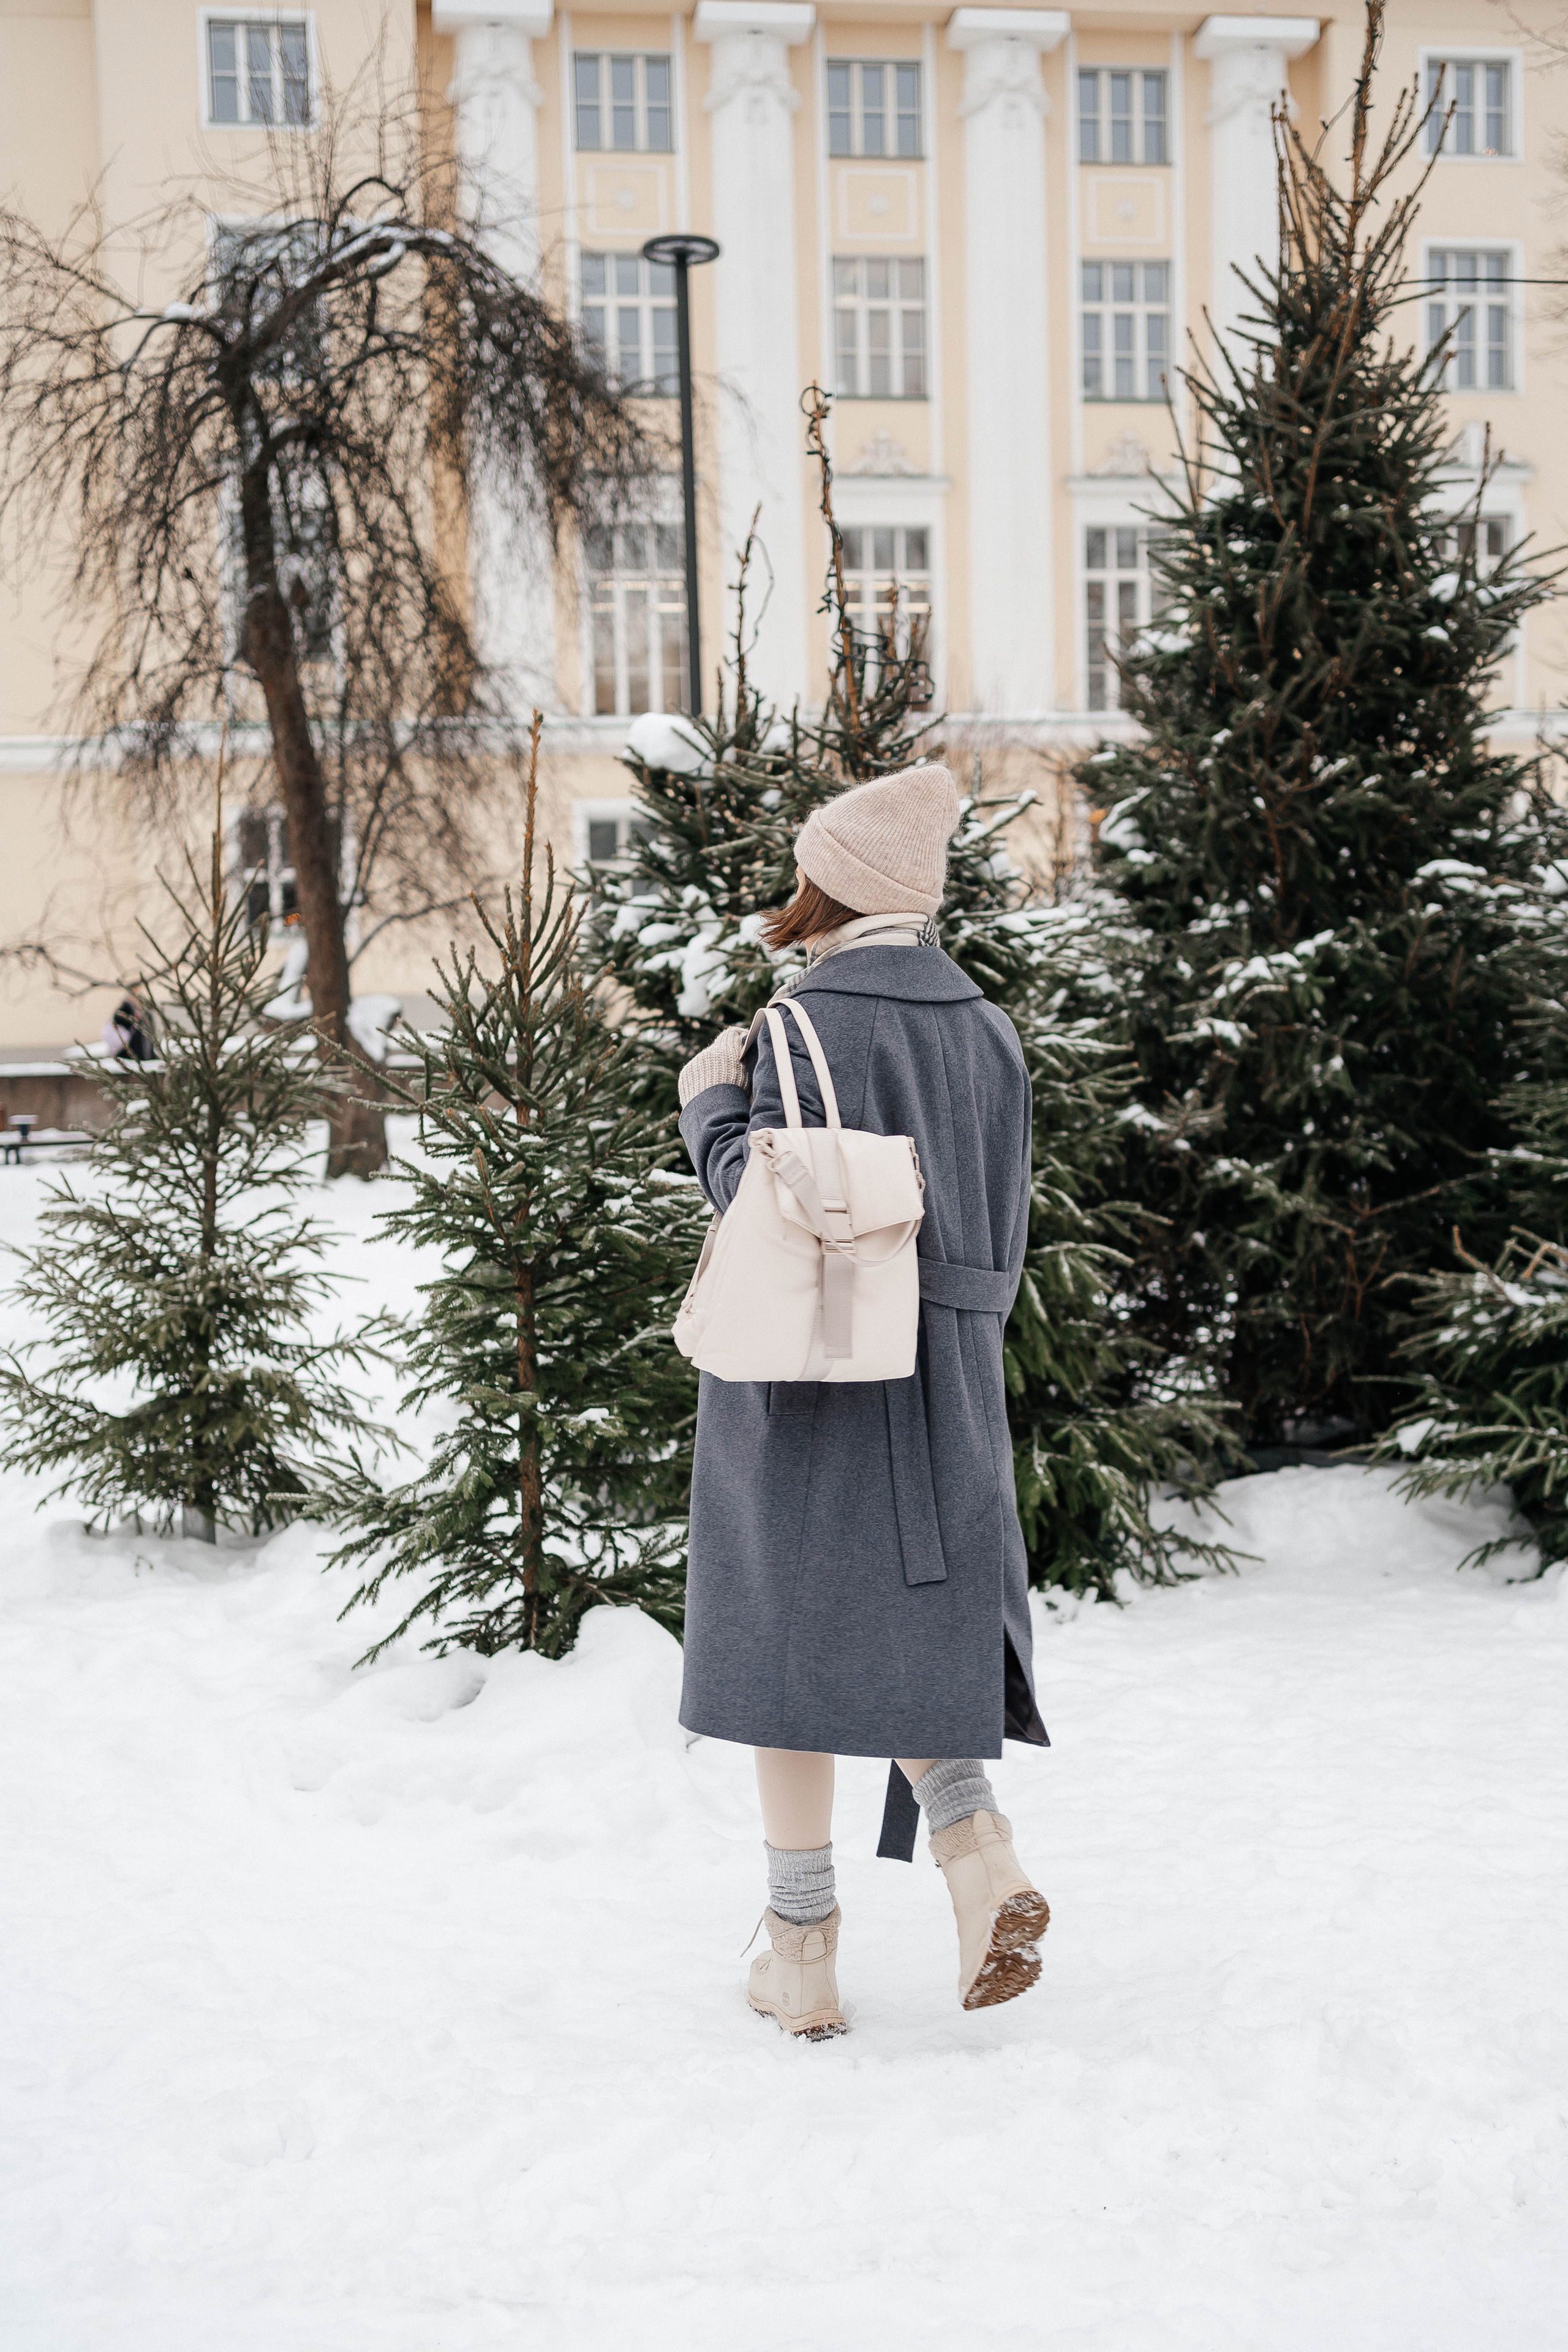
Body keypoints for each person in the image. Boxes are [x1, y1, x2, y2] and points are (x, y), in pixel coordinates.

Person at [676, 762, 1050, 2039]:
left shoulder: (797, 1028)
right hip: (955, 1369)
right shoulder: (990, 1029)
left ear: (833, 884)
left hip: (817, 1368)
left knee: (780, 1648)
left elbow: (769, 1206)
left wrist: (711, 1109)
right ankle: (981, 1863)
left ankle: (801, 1955)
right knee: (912, 1627)